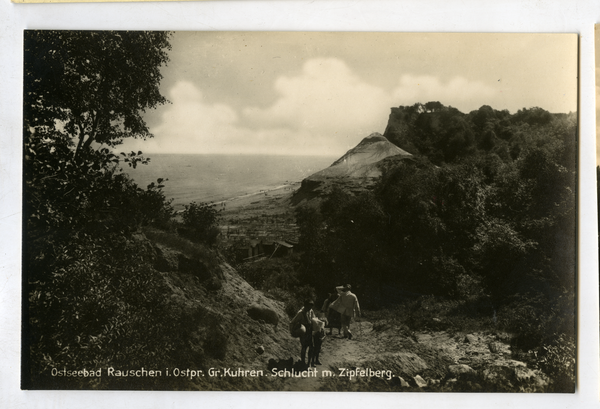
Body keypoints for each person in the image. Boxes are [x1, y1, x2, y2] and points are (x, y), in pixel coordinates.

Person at [289, 300, 316, 366]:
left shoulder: (311, 311)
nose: (309, 309)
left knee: (311, 347)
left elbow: (314, 318)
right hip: (304, 331)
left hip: (310, 331)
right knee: (304, 347)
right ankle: (303, 362)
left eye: (310, 307)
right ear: (305, 306)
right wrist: (293, 331)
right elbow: (292, 322)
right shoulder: (300, 313)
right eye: (308, 307)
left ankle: (309, 363)